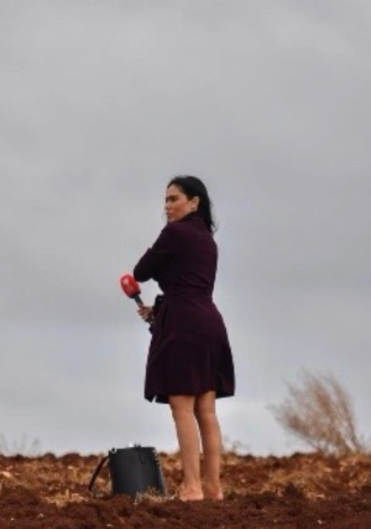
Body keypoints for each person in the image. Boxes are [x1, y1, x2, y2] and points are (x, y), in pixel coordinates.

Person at [132, 175, 235, 502]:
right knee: (207, 409)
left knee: (182, 407)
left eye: (173, 199)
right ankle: (213, 488)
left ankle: (191, 488)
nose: (167, 206)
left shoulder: (174, 233)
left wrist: (165, 307)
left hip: (183, 325)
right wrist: (159, 310)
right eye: (165, 200)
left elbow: (140, 271)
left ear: (194, 202)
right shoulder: (208, 240)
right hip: (209, 320)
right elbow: (186, 284)